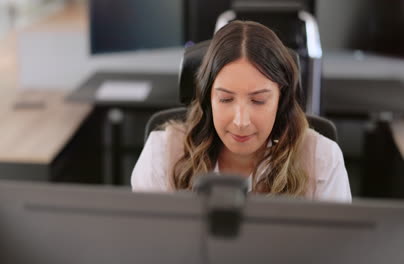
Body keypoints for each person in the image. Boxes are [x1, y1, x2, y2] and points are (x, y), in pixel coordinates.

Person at [131, 20, 351, 202]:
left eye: (258, 100)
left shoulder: (322, 160)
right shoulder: (161, 154)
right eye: (226, 99)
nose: (241, 121)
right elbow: (146, 248)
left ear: (281, 99)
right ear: (209, 98)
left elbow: (338, 252)